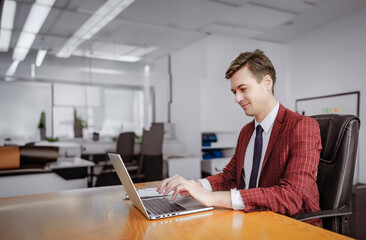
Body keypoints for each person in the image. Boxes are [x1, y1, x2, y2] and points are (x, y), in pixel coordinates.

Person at [157, 49, 322, 225]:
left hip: (293, 226)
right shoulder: (247, 131)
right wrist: (195, 186)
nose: (237, 98)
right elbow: (230, 176)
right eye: (234, 92)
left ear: (267, 82)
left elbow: (291, 196)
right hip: (255, 219)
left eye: (243, 89)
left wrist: (212, 198)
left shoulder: (302, 126)